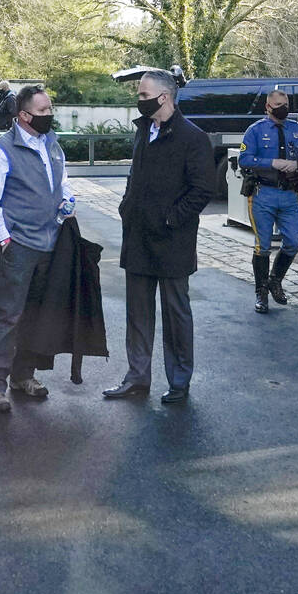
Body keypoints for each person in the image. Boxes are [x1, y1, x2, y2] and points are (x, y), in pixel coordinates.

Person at [102, 68, 213, 404]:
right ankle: (137, 378)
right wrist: (126, 207)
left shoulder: (192, 137)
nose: (139, 100)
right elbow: (135, 175)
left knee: (176, 314)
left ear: (164, 97)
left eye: (143, 95)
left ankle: (179, 380)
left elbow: (202, 189)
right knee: (138, 313)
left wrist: (170, 219)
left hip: (172, 241)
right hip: (137, 237)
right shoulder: (143, 131)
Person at [0, 85, 74, 413]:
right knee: (8, 315)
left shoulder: (53, 145)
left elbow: (62, 183)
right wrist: (5, 240)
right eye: (44, 111)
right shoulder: (0, 150)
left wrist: (66, 203)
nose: (50, 115)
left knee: (36, 314)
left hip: (50, 243)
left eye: (50, 109)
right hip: (19, 246)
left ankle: (23, 375)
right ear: (23, 115)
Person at [238, 89, 298, 314]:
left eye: (285, 103)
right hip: (263, 194)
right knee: (262, 246)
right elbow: (244, 159)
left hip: (289, 195)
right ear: (267, 107)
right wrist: (271, 162)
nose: (282, 107)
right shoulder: (255, 130)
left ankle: (275, 279)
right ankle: (261, 292)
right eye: (277, 104)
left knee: (292, 243)